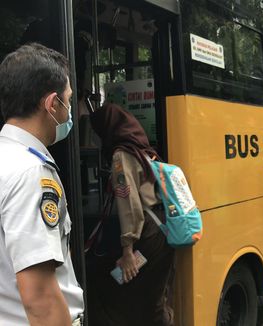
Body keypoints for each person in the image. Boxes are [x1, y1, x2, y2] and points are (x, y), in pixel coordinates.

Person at [0, 43, 84, 325]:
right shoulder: (31, 173)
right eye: (68, 100)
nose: (69, 111)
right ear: (51, 104)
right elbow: (40, 299)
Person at [88, 103, 175, 326]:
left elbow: (129, 204)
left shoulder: (121, 155)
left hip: (145, 236)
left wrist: (127, 250)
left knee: (111, 290)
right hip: (162, 231)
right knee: (154, 298)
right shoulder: (142, 149)